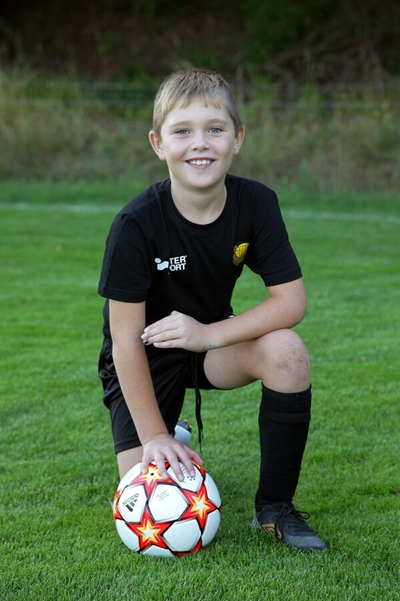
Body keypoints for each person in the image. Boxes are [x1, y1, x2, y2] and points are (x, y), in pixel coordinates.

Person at [98, 68, 328, 552]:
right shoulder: (135, 225)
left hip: (209, 343)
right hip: (146, 355)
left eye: (215, 129)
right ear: (158, 144)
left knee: (286, 351)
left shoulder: (256, 203)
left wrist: (208, 334)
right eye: (182, 131)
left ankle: (274, 508)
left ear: (237, 138)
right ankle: (169, 428)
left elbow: (291, 301)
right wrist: (153, 435)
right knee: (143, 493)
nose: (199, 144)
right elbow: (124, 341)